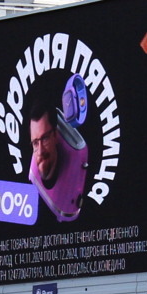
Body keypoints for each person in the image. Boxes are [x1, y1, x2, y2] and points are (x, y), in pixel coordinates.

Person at [27, 73, 89, 222]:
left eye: (45, 138)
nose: (40, 151)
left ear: (56, 135)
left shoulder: (77, 153)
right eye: (35, 142)